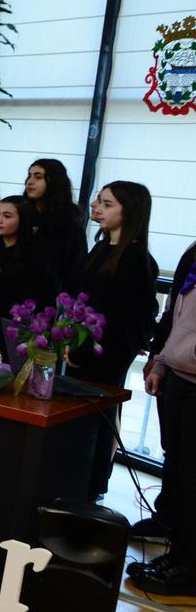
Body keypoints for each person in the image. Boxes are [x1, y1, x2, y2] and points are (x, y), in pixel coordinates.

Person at [69, 181, 159, 500]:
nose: (97, 207)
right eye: (98, 201)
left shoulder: (135, 258)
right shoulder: (101, 247)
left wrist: (83, 349)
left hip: (104, 358)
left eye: (107, 204)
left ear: (128, 211)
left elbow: (123, 319)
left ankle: (89, 490)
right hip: (81, 351)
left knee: (95, 426)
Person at [133, 239, 196, 593]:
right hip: (178, 372)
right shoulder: (193, 252)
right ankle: (178, 552)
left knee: (193, 476)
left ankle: (190, 568)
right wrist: (160, 358)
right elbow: (174, 312)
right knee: (179, 468)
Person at [0, 195, 58, 359]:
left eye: (7, 216)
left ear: (24, 220)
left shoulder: (35, 257)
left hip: (11, 336)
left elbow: (38, 301)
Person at [24, 158, 88, 291]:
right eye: (29, 175)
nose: (30, 181)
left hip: (48, 301)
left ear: (54, 181)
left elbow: (75, 273)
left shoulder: (68, 225)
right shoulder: (23, 215)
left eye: (38, 177)